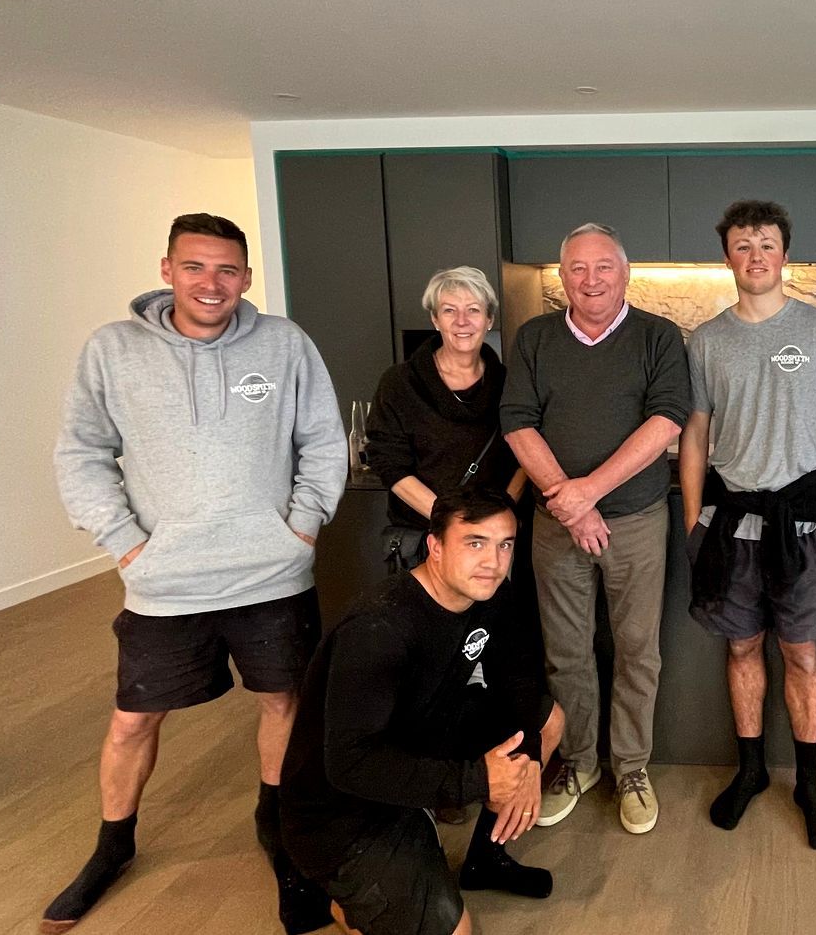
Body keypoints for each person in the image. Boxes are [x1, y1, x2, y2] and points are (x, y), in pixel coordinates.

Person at [48, 213, 347, 933]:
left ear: (246, 277)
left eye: (226, 270)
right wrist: (125, 542)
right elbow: (81, 451)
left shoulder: (284, 345)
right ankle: (113, 845)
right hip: (163, 580)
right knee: (132, 718)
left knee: (284, 705)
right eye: (195, 267)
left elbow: (323, 441)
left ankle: (275, 827)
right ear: (167, 269)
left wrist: (300, 528)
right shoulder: (114, 350)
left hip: (271, 576)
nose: (211, 283)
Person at [279, 489, 564, 935]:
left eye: (504, 544)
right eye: (475, 542)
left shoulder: (492, 595)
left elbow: (521, 684)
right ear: (435, 548)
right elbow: (349, 764)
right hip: (340, 810)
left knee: (550, 721)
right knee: (458, 932)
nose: (493, 560)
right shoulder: (379, 629)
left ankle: (484, 858)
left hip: (416, 742)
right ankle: (326, 894)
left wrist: (526, 761)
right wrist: (478, 780)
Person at [500, 223, 692, 835]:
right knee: (566, 652)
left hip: (635, 522)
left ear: (625, 272)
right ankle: (579, 763)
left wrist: (589, 493)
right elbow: (517, 424)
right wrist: (573, 506)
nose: (591, 280)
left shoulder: (658, 337)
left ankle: (632, 767)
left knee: (638, 651)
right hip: (556, 527)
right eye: (577, 269)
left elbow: (667, 422)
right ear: (562, 277)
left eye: (603, 267)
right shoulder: (534, 339)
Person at [680, 200, 816, 850]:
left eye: (766, 244)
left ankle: (808, 783)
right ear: (726, 255)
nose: (755, 256)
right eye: (742, 245)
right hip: (731, 527)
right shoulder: (705, 340)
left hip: (807, 527)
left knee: (802, 653)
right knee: (741, 648)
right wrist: (694, 519)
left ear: (785, 253)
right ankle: (751, 769)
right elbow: (695, 434)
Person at [366, 266, 525, 572]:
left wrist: (500, 516)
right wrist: (451, 522)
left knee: (491, 621)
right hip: (427, 541)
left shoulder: (510, 383)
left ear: (489, 319)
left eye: (473, 310)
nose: (462, 321)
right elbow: (389, 463)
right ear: (435, 319)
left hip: (493, 543)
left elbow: (525, 454)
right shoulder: (401, 383)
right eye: (450, 310)